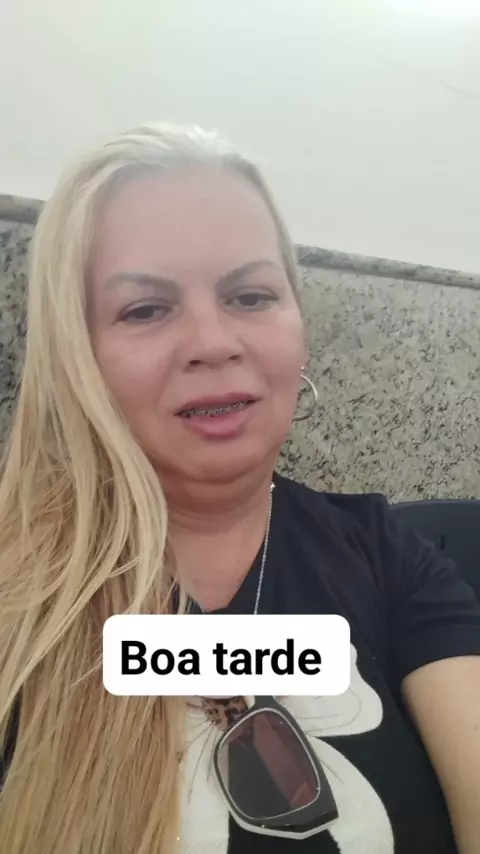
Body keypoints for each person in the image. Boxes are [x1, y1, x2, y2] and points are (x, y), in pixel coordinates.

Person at [0, 122, 479, 854]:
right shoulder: (18, 586)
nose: (215, 342)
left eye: (251, 296)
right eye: (145, 309)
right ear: (76, 355)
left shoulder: (391, 558)